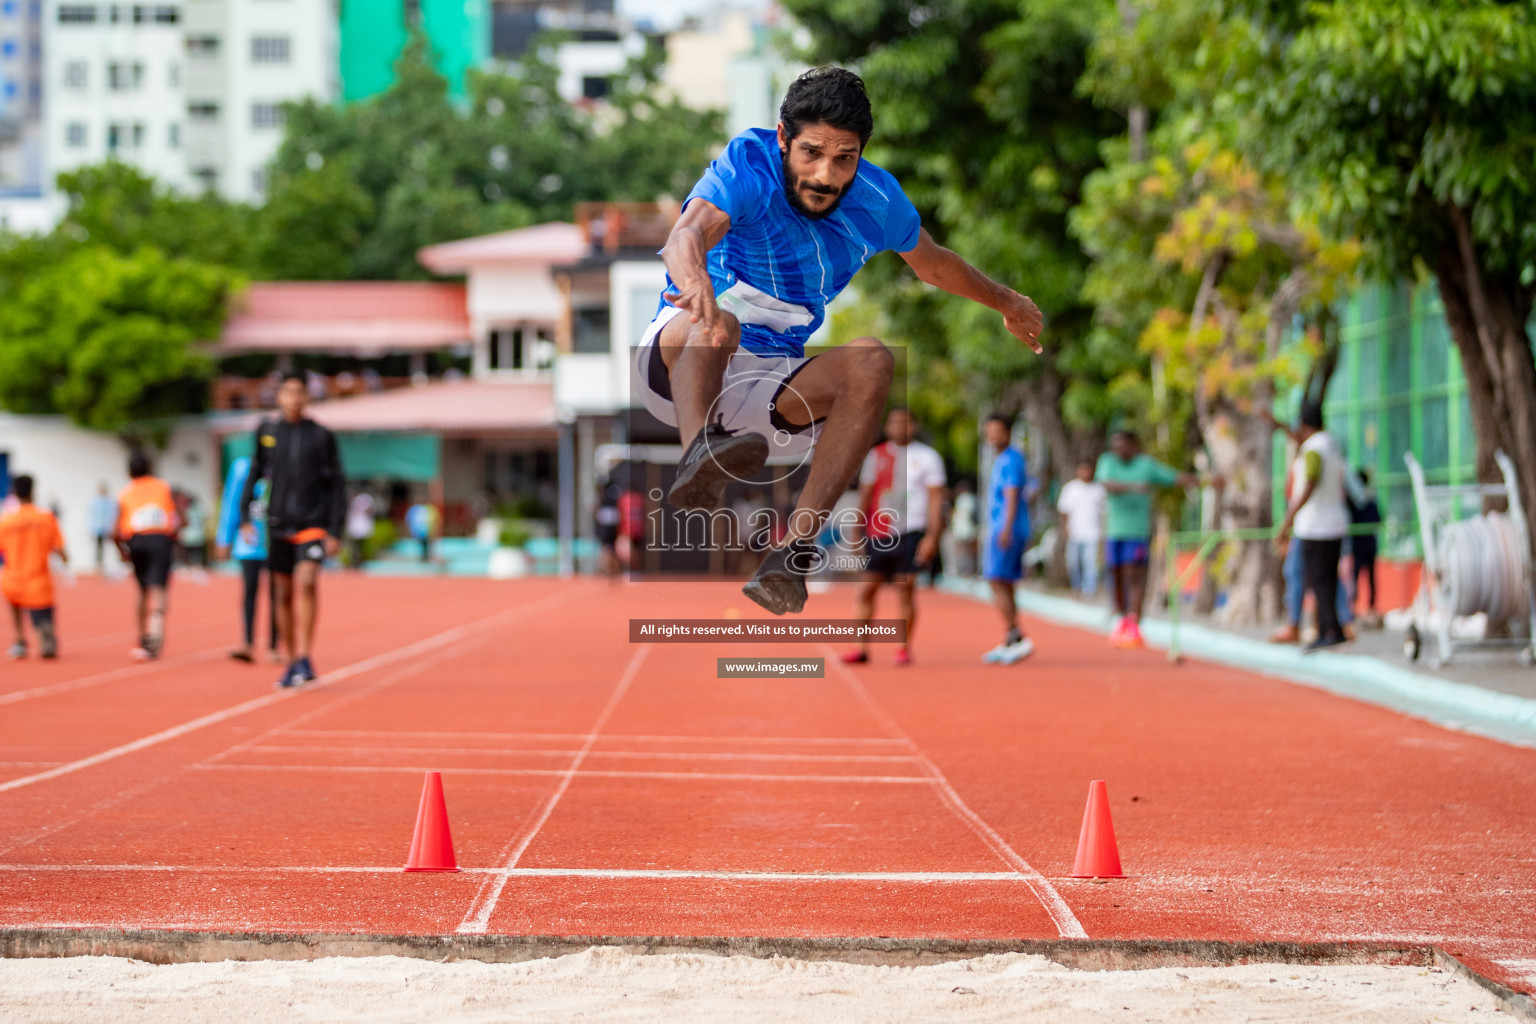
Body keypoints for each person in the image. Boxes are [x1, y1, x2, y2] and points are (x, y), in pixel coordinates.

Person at [636, 66, 1043, 615]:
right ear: (783, 138)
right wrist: (696, 284)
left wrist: (1008, 303)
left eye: (844, 157)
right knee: (722, 324)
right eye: (811, 153)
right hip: (682, 359)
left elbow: (935, 265)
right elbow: (685, 235)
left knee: (872, 360)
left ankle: (793, 556)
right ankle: (696, 459)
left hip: (771, 384)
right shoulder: (748, 163)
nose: (826, 176)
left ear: (861, 154)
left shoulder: (877, 199)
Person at [239, 373, 346, 688]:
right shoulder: (268, 432)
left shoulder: (321, 435)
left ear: (307, 397)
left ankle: (305, 654)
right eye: (288, 393)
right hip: (278, 522)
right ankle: (292, 661)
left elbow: (337, 484)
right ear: (279, 397)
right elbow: (255, 473)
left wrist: (335, 529)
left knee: (308, 580)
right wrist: (245, 515)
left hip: (312, 523)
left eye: (300, 393)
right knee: (282, 592)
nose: (294, 399)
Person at [843, 407, 946, 666]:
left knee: (905, 589)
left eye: (906, 422)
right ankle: (861, 647)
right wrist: (856, 532)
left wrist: (933, 536)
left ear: (915, 426)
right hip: (878, 532)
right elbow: (865, 496)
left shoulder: (928, 457)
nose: (901, 427)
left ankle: (903, 646)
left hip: (911, 531)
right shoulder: (875, 456)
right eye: (895, 422)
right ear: (888, 426)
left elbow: (936, 500)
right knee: (866, 589)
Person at [1096, 430, 1217, 650]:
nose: (1119, 450)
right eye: (1115, 446)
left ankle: (1134, 622)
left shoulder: (1145, 465)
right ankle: (1122, 618)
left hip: (1137, 532)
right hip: (1113, 532)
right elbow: (1106, 483)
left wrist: (1207, 481)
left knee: (1133, 574)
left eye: (1123, 445)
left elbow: (1176, 478)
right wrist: (1134, 487)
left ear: (1134, 445)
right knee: (1116, 574)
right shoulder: (1108, 462)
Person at [1276, 401, 1351, 652]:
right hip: (1335, 521)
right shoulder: (1331, 444)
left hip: (1315, 525)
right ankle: (1334, 627)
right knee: (1328, 579)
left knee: (1319, 580)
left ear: (1305, 425)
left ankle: (1327, 629)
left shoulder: (1313, 449)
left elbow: (1310, 482)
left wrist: (1288, 519)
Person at [978, 414, 1036, 664]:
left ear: (1008, 433)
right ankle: (1013, 637)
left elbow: (1012, 494)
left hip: (1006, 528)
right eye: (989, 432)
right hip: (1004, 526)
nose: (993, 437)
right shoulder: (1002, 459)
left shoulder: (1011, 459)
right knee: (1005, 581)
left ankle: (1015, 633)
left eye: (998, 431)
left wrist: (1006, 529)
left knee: (995, 579)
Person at [114, 451, 179, 661]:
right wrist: (175, 534)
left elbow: (114, 531)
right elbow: (179, 517)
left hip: (136, 540)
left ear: (129, 472)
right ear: (150, 467)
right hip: (160, 538)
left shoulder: (125, 493)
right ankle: (155, 632)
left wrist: (122, 551)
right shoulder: (163, 487)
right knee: (159, 588)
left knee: (142, 590)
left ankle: (142, 636)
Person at [216, 455, 279, 665]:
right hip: (249, 542)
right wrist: (224, 538)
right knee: (250, 591)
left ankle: (274, 646)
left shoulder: (281, 463)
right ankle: (248, 643)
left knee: (277, 593)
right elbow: (232, 500)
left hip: (276, 541)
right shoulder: (242, 467)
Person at [1, 475, 68, 659]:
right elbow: (60, 549)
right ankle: (43, 630)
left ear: (15, 493)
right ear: (32, 492)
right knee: (42, 610)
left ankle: (20, 640)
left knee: (14, 603)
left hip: (13, 578)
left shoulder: (6, 521)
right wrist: (65, 560)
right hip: (38, 579)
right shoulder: (46, 518)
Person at [1056, 459, 1106, 599]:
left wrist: (1103, 530)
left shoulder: (1098, 490)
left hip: (1093, 533)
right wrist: (1065, 529)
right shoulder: (1070, 488)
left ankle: (1089, 590)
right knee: (1073, 562)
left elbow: (1104, 512)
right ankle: (1076, 587)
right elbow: (1063, 510)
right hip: (1074, 532)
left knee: (1090, 563)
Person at [1349, 468, 1383, 630]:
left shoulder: (1358, 503)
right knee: (1366, 578)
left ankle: (1362, 607)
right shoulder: (1368, 501)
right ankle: (1364, 606)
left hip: (1362, 545)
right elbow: (1379, 519)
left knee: (1361, 577)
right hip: (1366, 544)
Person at [949, 479, 978, 577]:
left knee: (965, 552)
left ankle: (966, 572)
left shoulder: (965, 499)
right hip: (964, 529)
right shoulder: (969, 499)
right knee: (965, 552)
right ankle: (967, 572)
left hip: (964, 530)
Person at [88, 483, 116, 574]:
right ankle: (98, 566)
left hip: (106, 528)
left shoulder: (109, 502)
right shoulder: (95, 502)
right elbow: (92, 516)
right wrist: (91, 528)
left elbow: (112, 516)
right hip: (97, 528)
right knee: (98, 548)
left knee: (106, 548)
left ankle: (105, 566)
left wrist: (112, 528)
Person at [345, 491, 376, 569]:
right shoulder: (354, 503)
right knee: (354, 548)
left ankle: (361, 563)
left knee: (362, 547)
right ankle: (354, 563)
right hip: (356, 528)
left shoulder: (365, 500)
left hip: (362, 528)